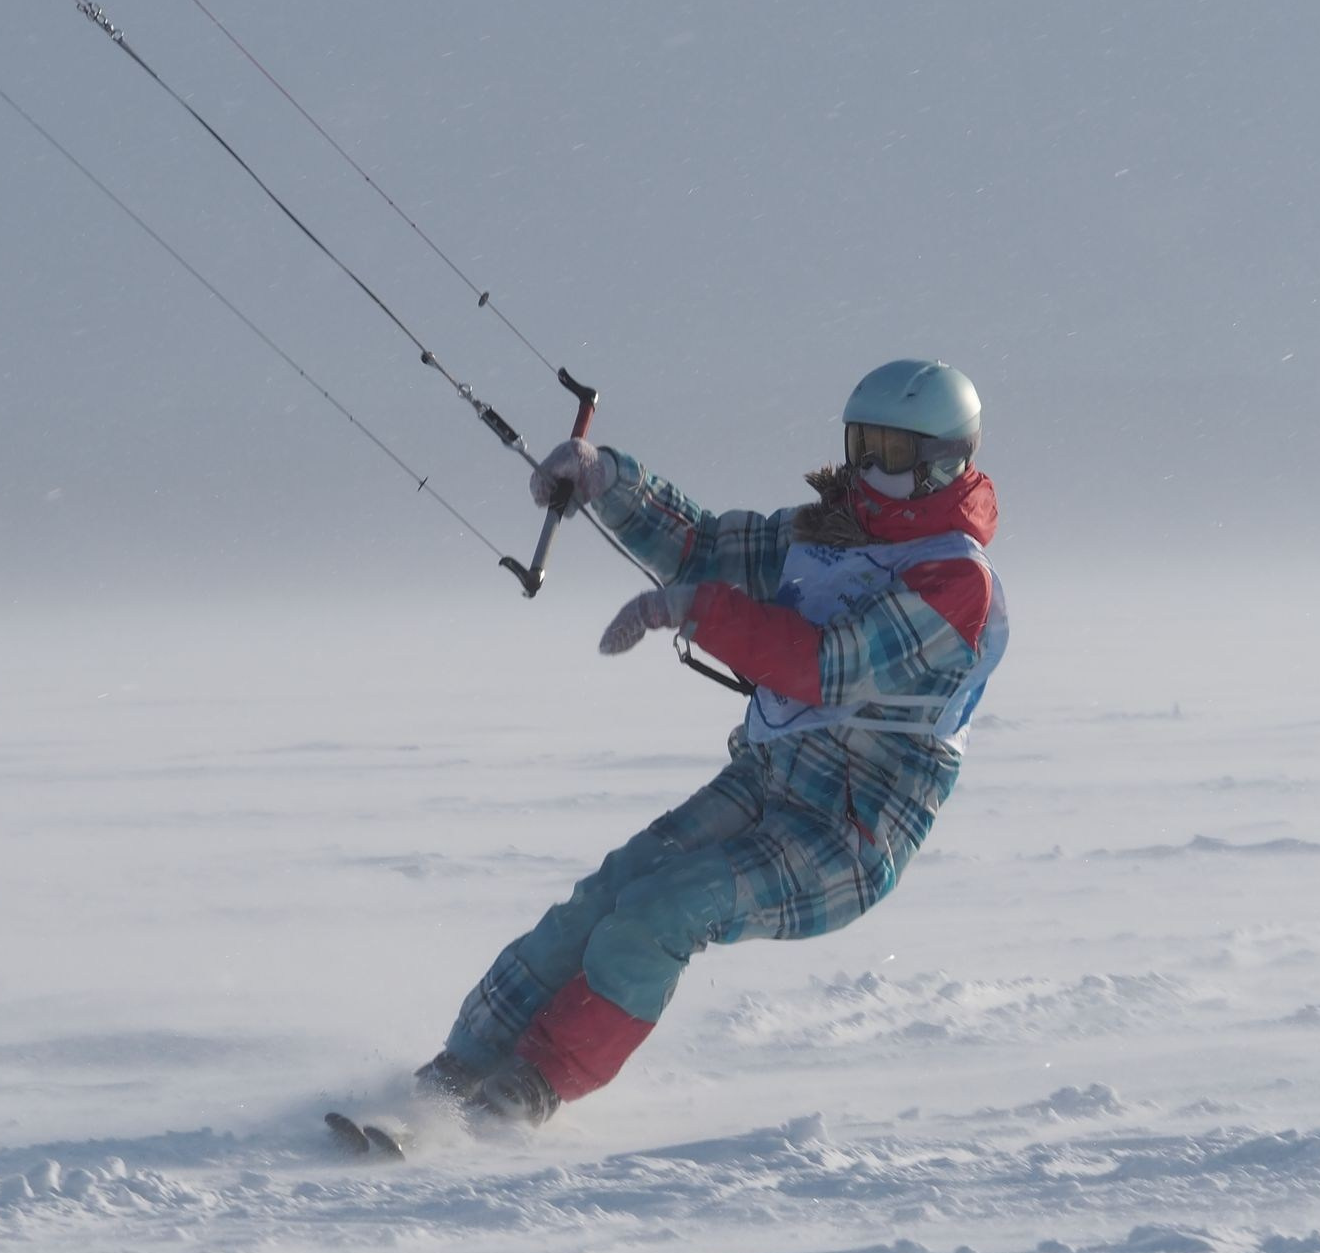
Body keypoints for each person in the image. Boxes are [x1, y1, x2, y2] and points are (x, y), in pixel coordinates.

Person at [420, 359, 1008, 1125]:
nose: (867, 472)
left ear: (944, 463)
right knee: (603, 899)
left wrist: (698, 611)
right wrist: (606, 478)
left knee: (663, 909)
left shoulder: (956, 583)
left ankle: (524, 1094)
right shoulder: (827, 534)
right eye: (860, 445)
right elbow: (704, 545)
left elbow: (824, 666)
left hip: (850, 827)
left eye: (891, 456)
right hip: (765, 781)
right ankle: (450, 1076)